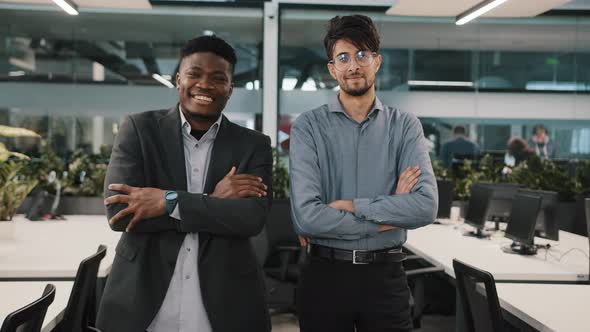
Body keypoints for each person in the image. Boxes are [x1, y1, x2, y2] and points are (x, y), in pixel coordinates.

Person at [97, 36, 272, 332]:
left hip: (225, 305)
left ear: (230, 88)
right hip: (141, 302)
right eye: (195, 74)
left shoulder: (253, 145)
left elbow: (250, 219)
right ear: (179, 79)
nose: (204, 85)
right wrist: (212, 201)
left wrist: (167, 202)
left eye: (218, 78)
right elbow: (120, 215)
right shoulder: (139, 130)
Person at [289, 15, 437, 332]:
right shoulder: (308, 127)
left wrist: (354, 206)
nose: (353, 65)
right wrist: (392, 210)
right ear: (332, 68)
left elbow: (425, 206)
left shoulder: (405, 126)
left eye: (362, 55)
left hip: (386, 278)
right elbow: (307, 218)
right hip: (326, 278)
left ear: (377, 62)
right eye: (343, 57)